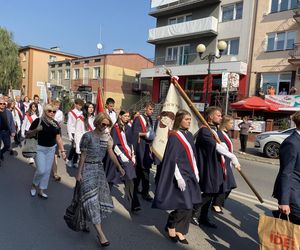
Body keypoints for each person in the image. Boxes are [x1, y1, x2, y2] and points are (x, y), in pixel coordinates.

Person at [76, 112, 125, 247]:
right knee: (91, 201)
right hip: (87, 169)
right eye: (103, 124)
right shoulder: (88, 136)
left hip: (99, 170)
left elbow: (111, 153)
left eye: (107, 125)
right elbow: (83, 156)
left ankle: (84, 221)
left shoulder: (107, 137)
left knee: (94, 199)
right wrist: (79, 173)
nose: (105, 127)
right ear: (97, 122)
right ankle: (100, 234)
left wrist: (119, 167)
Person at [153, 110, 201, 245]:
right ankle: (171, 225)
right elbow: (171, 159)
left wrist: (196, 172)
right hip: (180, 174)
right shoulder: (174, 136)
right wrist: (178, 177)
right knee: (184, 204)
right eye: (186, 119)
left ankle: (181, 230)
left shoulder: (190, 135)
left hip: (190, 173)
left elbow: (192, 156)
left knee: (190, 204)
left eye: (190, 120)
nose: (189, 122)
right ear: (179, 120)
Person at [192, 106, 225, 228]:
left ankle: (204, 216)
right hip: (207, 165)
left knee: (212, 190)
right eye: (218, 115)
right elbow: (215, 145)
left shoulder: (214, 129)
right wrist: (228, 152)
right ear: (210, 117)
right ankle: (194, 211)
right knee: (210, 190)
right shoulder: (205, 130)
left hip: (215, 164)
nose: (221, 117)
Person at [104, 110, 141, 212]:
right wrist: (121, 155)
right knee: (111, 178)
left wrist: (133, 155)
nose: (127, 118)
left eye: (128, 116)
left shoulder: (128, 127)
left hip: (127, 156)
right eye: (125, 116)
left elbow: (131, 143)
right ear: (120, 116)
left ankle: (134, 204)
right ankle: (103, 198)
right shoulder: (115, 128)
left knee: (130, 178)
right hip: (116, 156)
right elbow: (114, 144)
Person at [28, 104, 66, 198]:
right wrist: (36, 130)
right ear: (45, 111)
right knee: (41, 170)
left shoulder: (55, 124)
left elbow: (58, 138)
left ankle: (41, 190)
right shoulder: (38, 121)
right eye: (49, 111)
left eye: (54, 111)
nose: (52, 113)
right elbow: (28, 134)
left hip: (51, 149)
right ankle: (34, 185)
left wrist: (62, 151)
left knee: (47, 171)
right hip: (39, 148)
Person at [272, 111, 300, 225]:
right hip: (294, 192)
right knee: (293, 227)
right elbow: (286, 173)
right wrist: (284, 201)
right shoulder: (291, 143)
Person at [212, 115, 240, 213]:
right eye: (231, 123)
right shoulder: (219, 134)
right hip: (223, 162)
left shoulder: (225, 133)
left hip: (228, 162)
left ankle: (218, 203)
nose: (232, 125)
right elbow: (220, 149)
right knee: (228, 184)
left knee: (229, 184)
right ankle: (216, 204)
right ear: (225, 123)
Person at [132, 101, 155, 202]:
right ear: (145, 108)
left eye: (153, 109)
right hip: (141, 147)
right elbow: (135, 132)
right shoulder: (138, 118)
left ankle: (137, 189)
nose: (152, 111)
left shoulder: (150, 119)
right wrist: (145, 134)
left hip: (147, 147)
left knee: (144, 170)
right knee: (143, 170)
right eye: (150, 109)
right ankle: (144, 192)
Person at [66, 98, 84, 168]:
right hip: (73, 131)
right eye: (79, 105)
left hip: (79, 131)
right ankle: (69, 159)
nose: (80, 106)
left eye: (81, 105)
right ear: (75, 104)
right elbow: (69, 124)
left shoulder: (82, 113)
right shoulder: (71, 113)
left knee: (78, 146)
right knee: (74, 147)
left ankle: (75, 161)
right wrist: (70, 134)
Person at [0, 97, 16, 167]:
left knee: (7, 146)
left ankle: (1, 153)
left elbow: (12, 122)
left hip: (6, 132)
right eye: (0, 103)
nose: (2, 105)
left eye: (4, 103)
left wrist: (13, 131)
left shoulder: (8, 112)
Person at [51, 100, 64, 182]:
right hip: (47, 138)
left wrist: (62, 150)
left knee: (55, 155)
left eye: (58, 105)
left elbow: (60, 121)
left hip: (56, 131)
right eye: (56, 105)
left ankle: (55, 173)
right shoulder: (49, 111)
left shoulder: (60, 113)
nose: (57, 106)